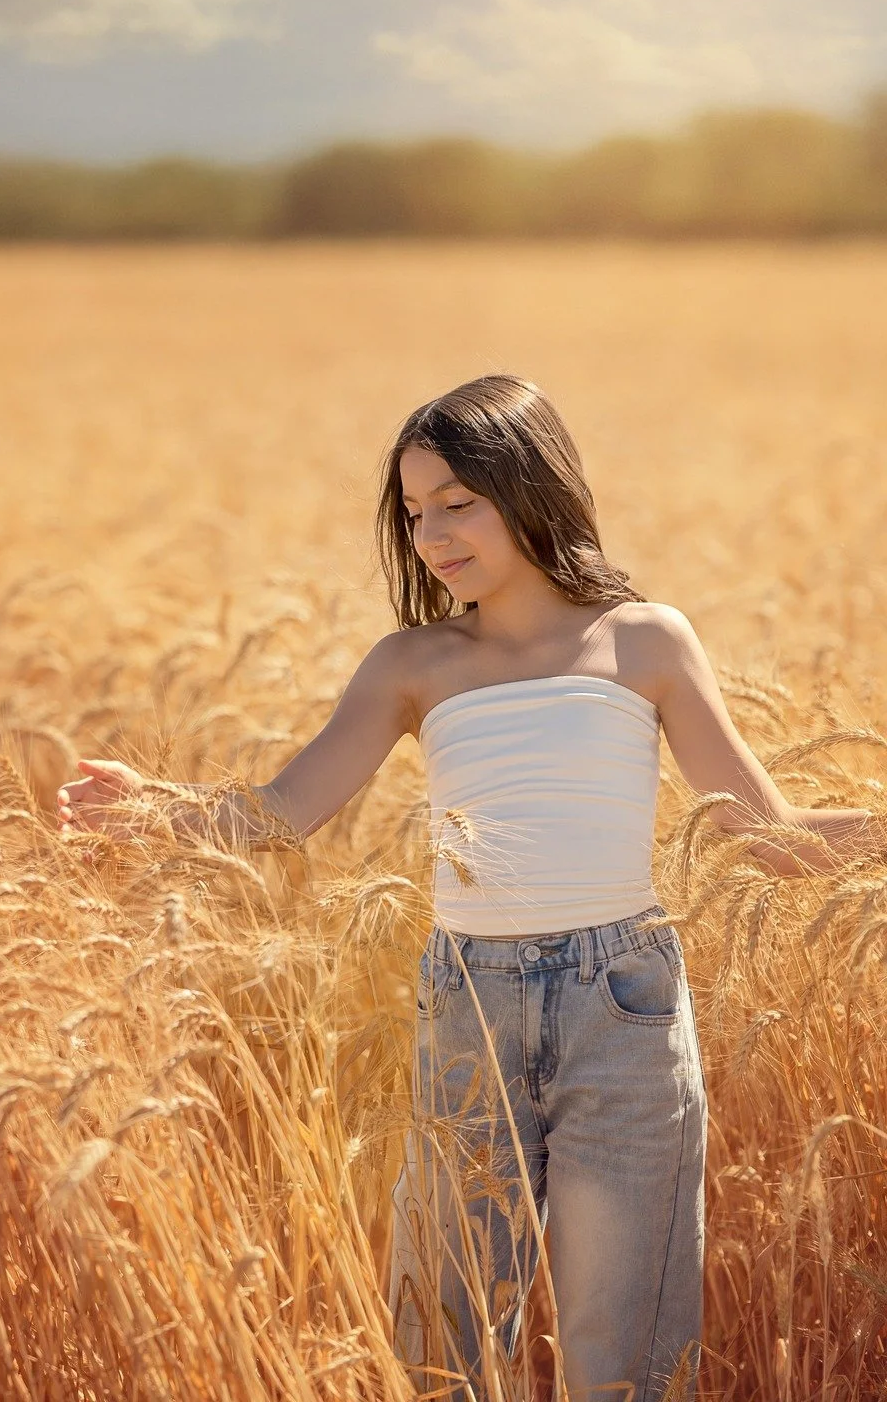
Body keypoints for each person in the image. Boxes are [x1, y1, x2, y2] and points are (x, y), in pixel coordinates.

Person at [55, 374, 884, 1402]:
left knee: (621, 1355)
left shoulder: (644, 640)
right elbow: (279, 812)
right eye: (412, 512)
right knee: (442, 1341)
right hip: (467, 1011)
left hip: (620, 1011)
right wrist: (153, 809)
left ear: (529, 487)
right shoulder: (414, 663)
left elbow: (773, 838)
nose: (432, 533)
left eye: (458, 501)